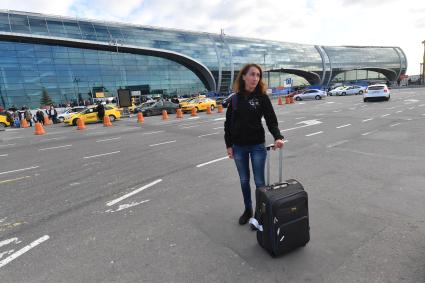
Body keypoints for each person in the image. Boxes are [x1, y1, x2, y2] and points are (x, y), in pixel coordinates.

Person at [224, 63, 285, 225]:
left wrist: (277, 136)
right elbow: (228, 124)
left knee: (259, 182)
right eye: (252, 74)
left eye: (258, 75)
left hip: (257, 145)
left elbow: (271, 120)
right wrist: (229, 145)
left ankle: (260, 212)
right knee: (244, 180)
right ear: (243, 76)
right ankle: (247, 209)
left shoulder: (262, 98)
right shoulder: (235, 99)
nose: (255, 78)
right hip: (238, 147)